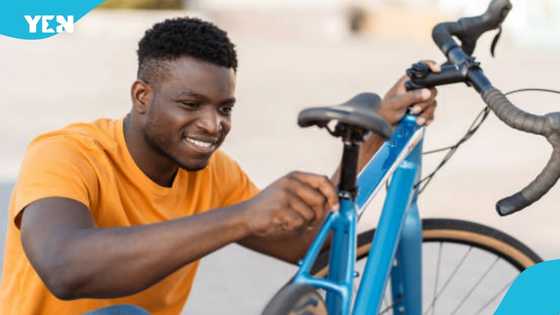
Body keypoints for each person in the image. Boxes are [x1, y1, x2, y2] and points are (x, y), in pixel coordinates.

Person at [0, 17, 438, 315]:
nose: (212, 125)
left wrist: (379, 129)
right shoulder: (66, 153)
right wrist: (242, 217)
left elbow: (303, 244)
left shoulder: (213, 172)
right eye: (191, 105)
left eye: (225, 108)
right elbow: (65, 268)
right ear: (142, 96)